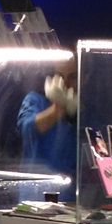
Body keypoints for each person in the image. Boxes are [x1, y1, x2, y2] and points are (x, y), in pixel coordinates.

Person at [17, 55, 78, 197]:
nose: (65, 83)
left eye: (73, 77)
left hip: (70, 195)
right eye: (60, 76)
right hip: (35, 194)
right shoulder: (35, 100)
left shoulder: (87, 113)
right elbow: (27, 128)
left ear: (84, 78)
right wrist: (58, 108)